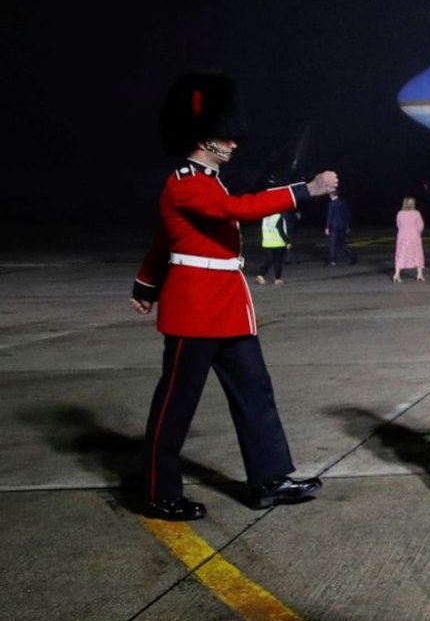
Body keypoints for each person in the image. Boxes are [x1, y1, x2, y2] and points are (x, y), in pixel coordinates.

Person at [129, 72, 337, 519]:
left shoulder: (208, 177)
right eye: (228, 138)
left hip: (227, 308)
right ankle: (157, 491)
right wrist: (306, 190)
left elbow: (167, 242)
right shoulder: (186, 182)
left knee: (255, 392)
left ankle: (269, 479)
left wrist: (145, 284)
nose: (235, 145)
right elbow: (235, 211)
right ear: (206, 140)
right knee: (176, 405)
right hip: (195, 311)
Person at [393, 195, 426, 282]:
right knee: (417, 254)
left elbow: (398, 225)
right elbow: (420, 225)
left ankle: (396, 274)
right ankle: (419, 274)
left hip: (402, 236)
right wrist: (418, 232)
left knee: (400, 254)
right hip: (414, 237)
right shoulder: (416, 213)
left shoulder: (400, 213)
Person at [253, 209, 290, 286]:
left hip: (267, 243)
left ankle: (260, 276)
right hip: (278, 243)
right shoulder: (278, 217)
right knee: (278, 261)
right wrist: (287, 241)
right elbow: (281, 231)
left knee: (269, 261)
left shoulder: (265, 217)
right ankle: (278, 279)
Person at [325, 190, 355, 265]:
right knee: (341, 243)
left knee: (332, 244)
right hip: (343, 226)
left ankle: (332, 260)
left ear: (331, 195)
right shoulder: (343, 203)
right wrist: (347, 225)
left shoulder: (331, 204)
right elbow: (348, 215)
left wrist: (327, 227)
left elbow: (330, 216)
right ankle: (352, 255)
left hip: (335, 226)